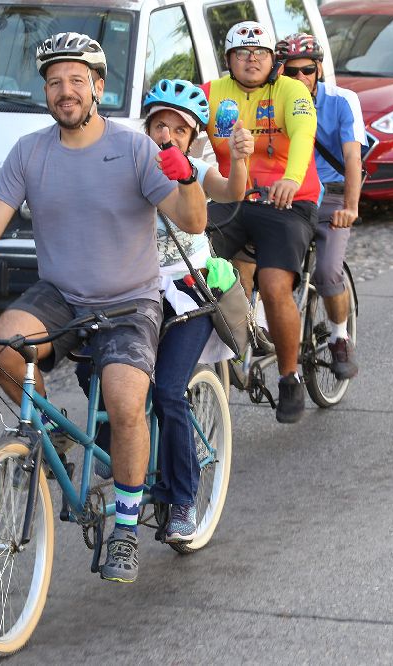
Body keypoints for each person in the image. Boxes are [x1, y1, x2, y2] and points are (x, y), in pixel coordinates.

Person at [0, 32, 206, 584]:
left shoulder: (134, 148)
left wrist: (188, 178)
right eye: (55, 82)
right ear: (46, 93)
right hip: (59, 295)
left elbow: (193, 219)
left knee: (125, 401)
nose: (65, 90)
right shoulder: (29, 152)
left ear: (98, 87)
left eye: (77, 80)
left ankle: (125, 527)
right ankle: (50, 433)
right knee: (1, 348)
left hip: (129, 302)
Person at [77, 79, 253, 543]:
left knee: (170, 390)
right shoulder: (128, 166)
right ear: (147, 128)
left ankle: (183, 498)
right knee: (91, 366)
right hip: (133, 292)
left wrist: (239, 157)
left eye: (179, 129)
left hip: (187, 293)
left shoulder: (194, 168)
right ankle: (119, 442)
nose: (167, 136)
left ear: (192, 138)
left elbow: (232, 192)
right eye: (159, 126)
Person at [202, 20, 321, 424]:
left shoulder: (292, 91)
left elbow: (303, 135)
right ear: (228, 59)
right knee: (189, 260)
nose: (251, 60)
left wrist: (292, 178)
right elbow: (177, 125)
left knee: (273, 285)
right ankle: (221, 342)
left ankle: (290, 377)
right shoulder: (213, 93)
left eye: (260, 54)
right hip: (233, 197)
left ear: (273, 61)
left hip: (287, 202)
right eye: (242, 53)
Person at [276, 32, 365, 380]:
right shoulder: (274, 101)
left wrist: (351, 207)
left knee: (328, 271)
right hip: (292, 194)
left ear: (319, 69)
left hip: (332, 195)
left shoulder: (343, 100)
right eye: (291, 71)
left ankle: (340, 337)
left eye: (307, 70)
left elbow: (352, 156)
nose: (300, 78)